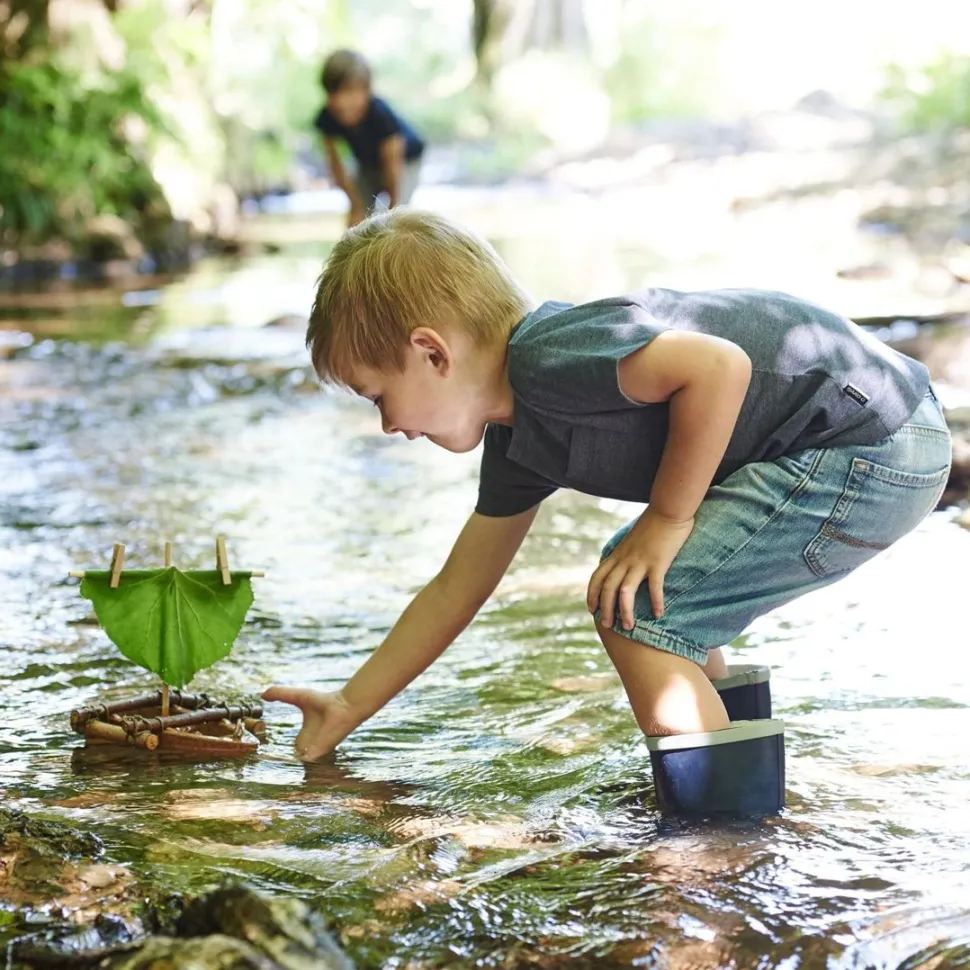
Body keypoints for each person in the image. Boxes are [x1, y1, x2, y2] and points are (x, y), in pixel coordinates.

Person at [262, 208, 951, 812]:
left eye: (377, 396)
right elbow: (454, 589)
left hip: (870, 443)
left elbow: (717, 368)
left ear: (431, 351)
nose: (386, 426)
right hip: (869, 436)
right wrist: (349, 705)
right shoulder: (518, 441)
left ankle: (720, 839)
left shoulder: (550, 358)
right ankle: (732, 786)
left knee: (639, 607)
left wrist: (668, 518)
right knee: (649, 590)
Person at [314, 49, 424, 229]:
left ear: (367, 90)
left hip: (404, 160)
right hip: (368, 163)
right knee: (356, 218)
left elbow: (393, 158)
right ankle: (352, 256)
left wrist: (393, 204)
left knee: (397, 217)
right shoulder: (327, 118)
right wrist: (355, 204)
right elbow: (336, 165)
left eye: (350, 92)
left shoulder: (380, 114)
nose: (343, 102)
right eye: (335, 93)